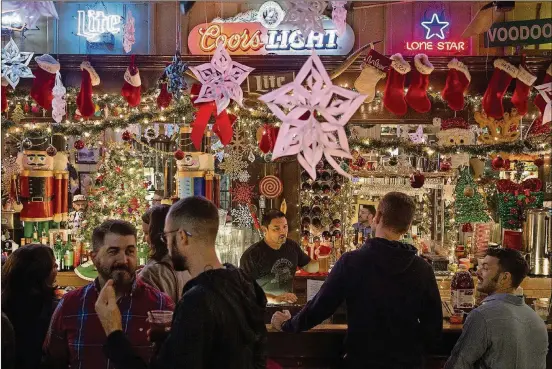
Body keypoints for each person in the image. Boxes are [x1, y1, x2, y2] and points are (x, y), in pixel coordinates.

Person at [271, 192, 443, 369]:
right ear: (407, 228)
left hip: (363, 361)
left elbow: (319, 309)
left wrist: (287, 324)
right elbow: (433, 328)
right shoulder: (423, 269)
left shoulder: (352, 262)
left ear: (377, 217)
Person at [95, 196, 268, 369]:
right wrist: (174, 339)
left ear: (182, 236)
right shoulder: (245, 285)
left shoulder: (197, 300)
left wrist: (114, 333)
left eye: (166, 236)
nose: (166, 244)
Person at [42, 220, 174, 369]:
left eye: (130, 251)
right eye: (113, 251)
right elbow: (52, 361)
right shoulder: (70, 305)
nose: (123, 260)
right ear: (94, 258)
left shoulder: (160, 305)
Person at [444, 248, 548, 369]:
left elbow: (457, 365)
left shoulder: (482, 316)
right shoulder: (537, 321)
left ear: (505, 277)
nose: (478, 273)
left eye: (485, 268)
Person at [240, 209, 318, 304]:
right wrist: (274, 298)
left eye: (285, 227)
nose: (283, 232)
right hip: (262, 308)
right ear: (265, 229)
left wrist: (323, 259)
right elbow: (246, 290)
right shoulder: (252, 255)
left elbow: (309, 266)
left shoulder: (291, 246)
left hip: (287, 306)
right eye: (276, 228)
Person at [1, 244, 58, 369]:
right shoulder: (53, 309)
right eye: (54, 266)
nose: (57, 269)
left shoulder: (4, 304)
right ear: (40, 274)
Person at [139, 205, 191, 302]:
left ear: (157, 234)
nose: (144, 239)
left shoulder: (152, 273)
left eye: (146, 233)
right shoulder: (189, 265)